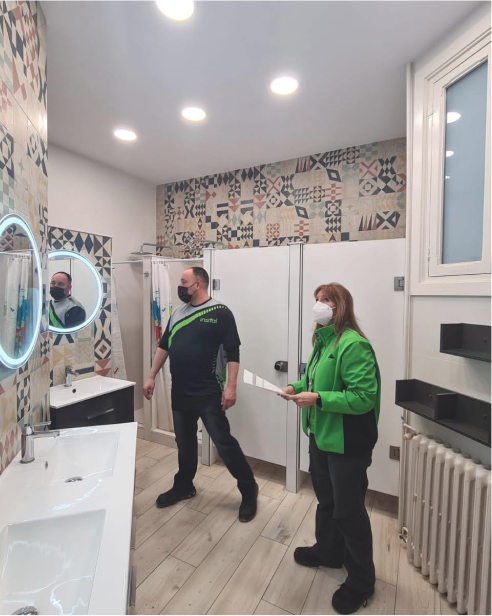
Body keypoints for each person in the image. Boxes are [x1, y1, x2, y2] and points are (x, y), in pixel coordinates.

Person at [281, 283, 380, 615]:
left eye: (326, 300)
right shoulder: (323, 342)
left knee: (348, 511)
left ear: (341, 306)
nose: (319, 304)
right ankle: (329, 552)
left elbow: (363, 397)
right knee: (327, 502)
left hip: (346, 443)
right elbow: (316, 382)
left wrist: (319, 399)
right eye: (317, 299)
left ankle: (362, 581)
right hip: (321, 436)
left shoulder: (354, 345)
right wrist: (296, 386)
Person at [143, 266, 258, 522]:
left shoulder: (220, 313)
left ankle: (249, 489)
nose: (180, 286)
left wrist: (231, 387)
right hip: (180, 390)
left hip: (207, 391)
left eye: (184, 282)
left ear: (198, 284)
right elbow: (164, 346)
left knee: (223, 443)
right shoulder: (177, 313)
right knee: (184, 442)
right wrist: (151, 375)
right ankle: (184, 486)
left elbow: (233, 352)